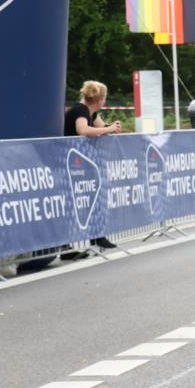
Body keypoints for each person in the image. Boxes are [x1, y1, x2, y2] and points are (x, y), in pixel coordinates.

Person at [63, 80, 122, 256]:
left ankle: (97, 236)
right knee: (74, 203)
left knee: (93, 198)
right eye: (105, 98)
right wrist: (108, 129)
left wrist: (111, 128)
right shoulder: (80, 110)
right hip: (72, 163)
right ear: (100, 99)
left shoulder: (92, 112)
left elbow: (100, 128)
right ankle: (66, 246)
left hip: (83, 163)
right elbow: (82, 130)